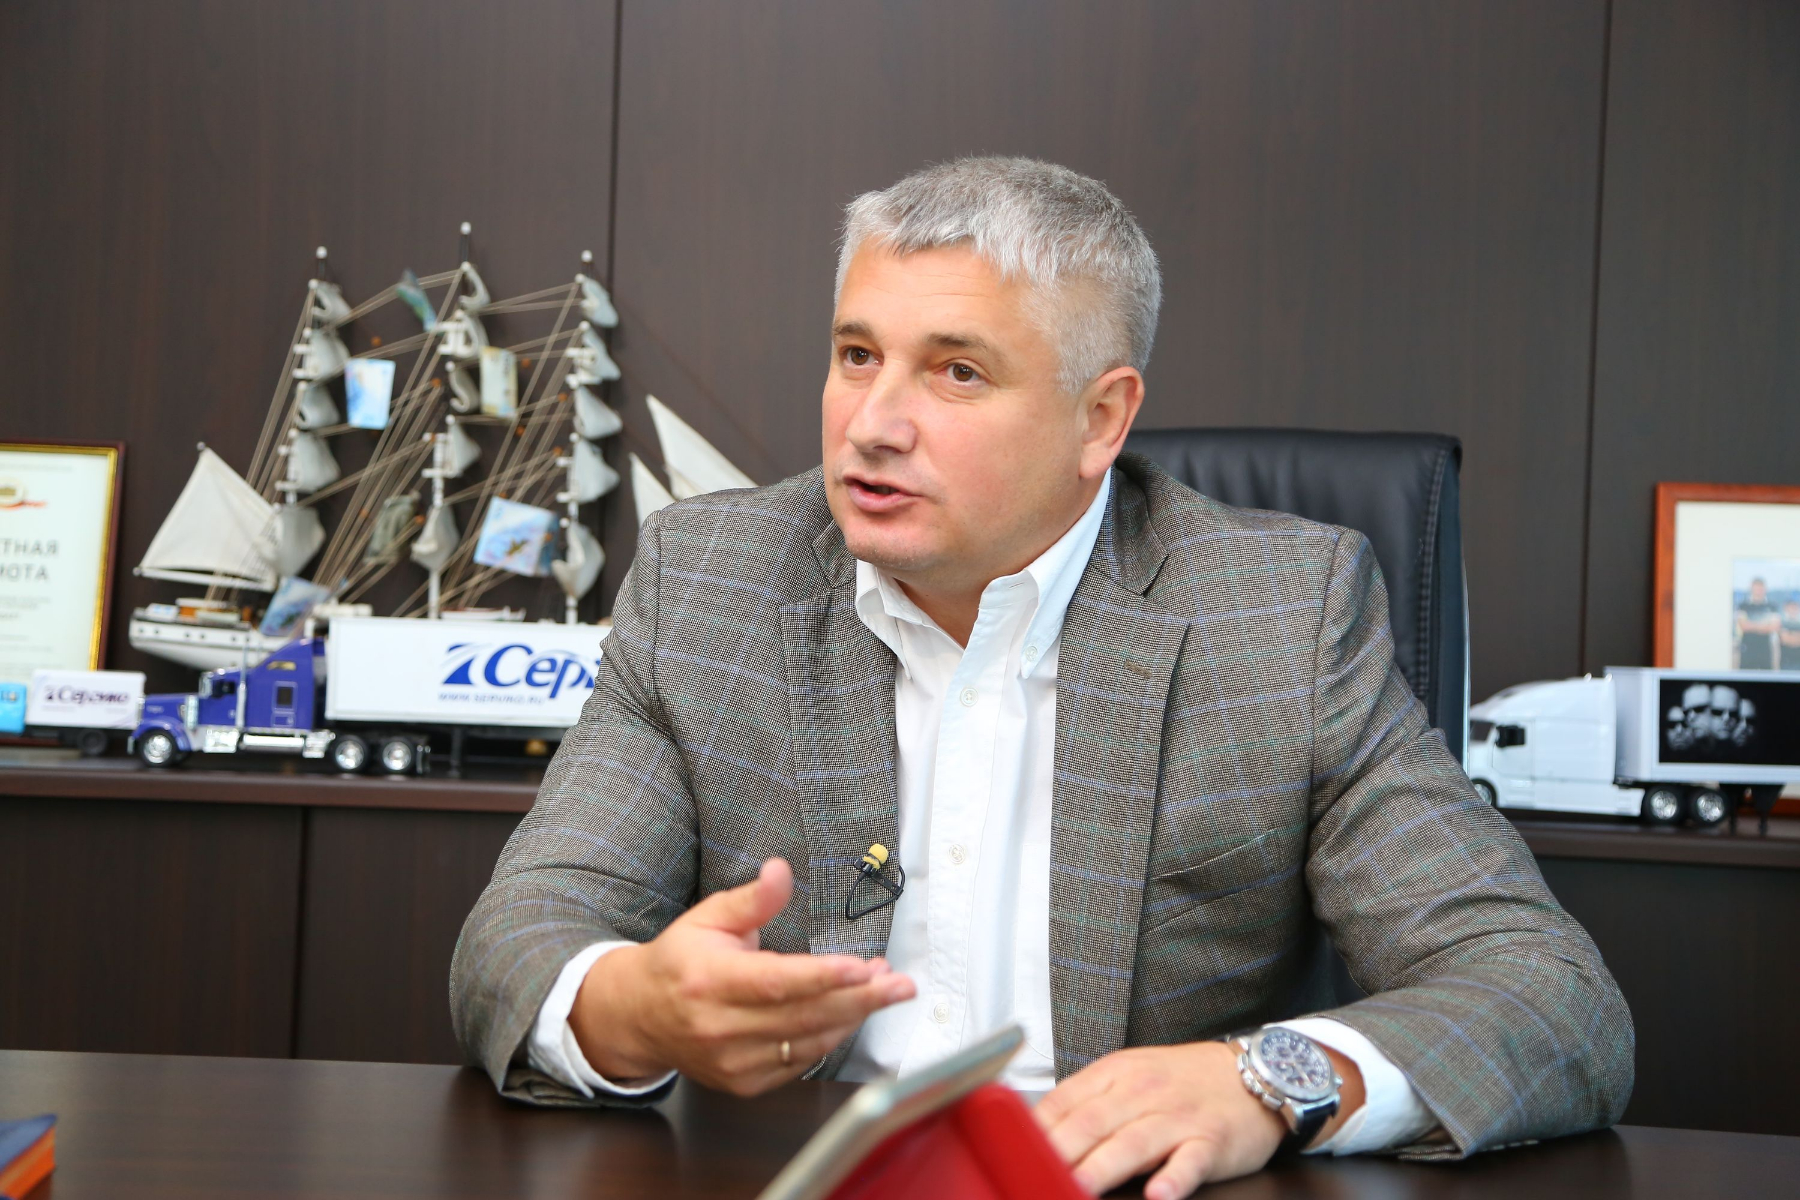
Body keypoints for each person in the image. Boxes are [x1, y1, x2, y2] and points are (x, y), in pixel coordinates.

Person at [452, 158, 1632, 1196]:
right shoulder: (711, 582)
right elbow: (517, 938)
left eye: (956, 373)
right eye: (857, 355)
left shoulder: (1281, 620)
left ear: (1101, 419)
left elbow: (1549, 997)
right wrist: (635, 1011)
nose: (872, 424)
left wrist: (1266, 1082)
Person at [1736, 578, 1780, 669]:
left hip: (1765, 648)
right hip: (1747, 648)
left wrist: (1752, 625)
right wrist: (1764, 625)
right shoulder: (1743, 606)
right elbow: (1743, 626)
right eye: (1756, 588)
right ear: (1751, 588)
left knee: (1766, 676)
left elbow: (1774, 627)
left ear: (1765, 589)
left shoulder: (1772, 606)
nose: (1758, 591)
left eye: (1760, 588)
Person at [1780, 598, 1800, 671]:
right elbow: (1786, 640)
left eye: (1795, 607)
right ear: (1785, 608)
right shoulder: (1781, 622)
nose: (1793, 609)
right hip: (1786, 661)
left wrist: (1791, 634)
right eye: (1790, 607)